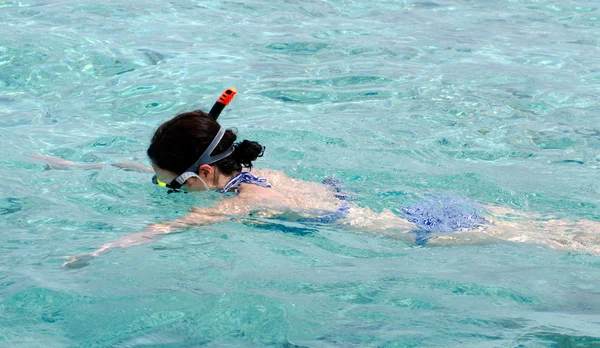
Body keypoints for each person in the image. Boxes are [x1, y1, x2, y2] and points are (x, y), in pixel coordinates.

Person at [35, 89, 600, 268]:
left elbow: (156, 234)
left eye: (169, 185)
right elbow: (163, 176)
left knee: (548, 242)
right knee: (555, 227)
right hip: (410, 210)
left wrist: (100, 250)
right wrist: (85, 165)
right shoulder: (251, 174)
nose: (164, 192)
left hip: (405, 234)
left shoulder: (232, 207)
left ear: (204, 172)